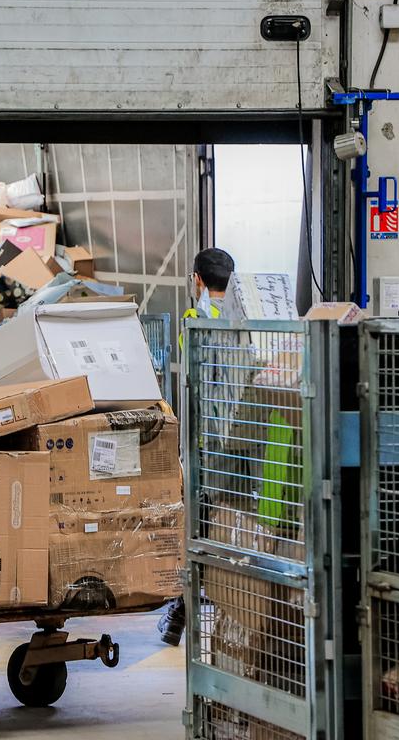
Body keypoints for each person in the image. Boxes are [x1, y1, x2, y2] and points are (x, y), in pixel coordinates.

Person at [158, 247, 235, 647]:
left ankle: (180, 612)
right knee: (229, 529)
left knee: (198, 529)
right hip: (242, 442)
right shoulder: (250, 319)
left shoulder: (195, 319)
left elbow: (195, 383)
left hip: (206, 443)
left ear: (198, 280)